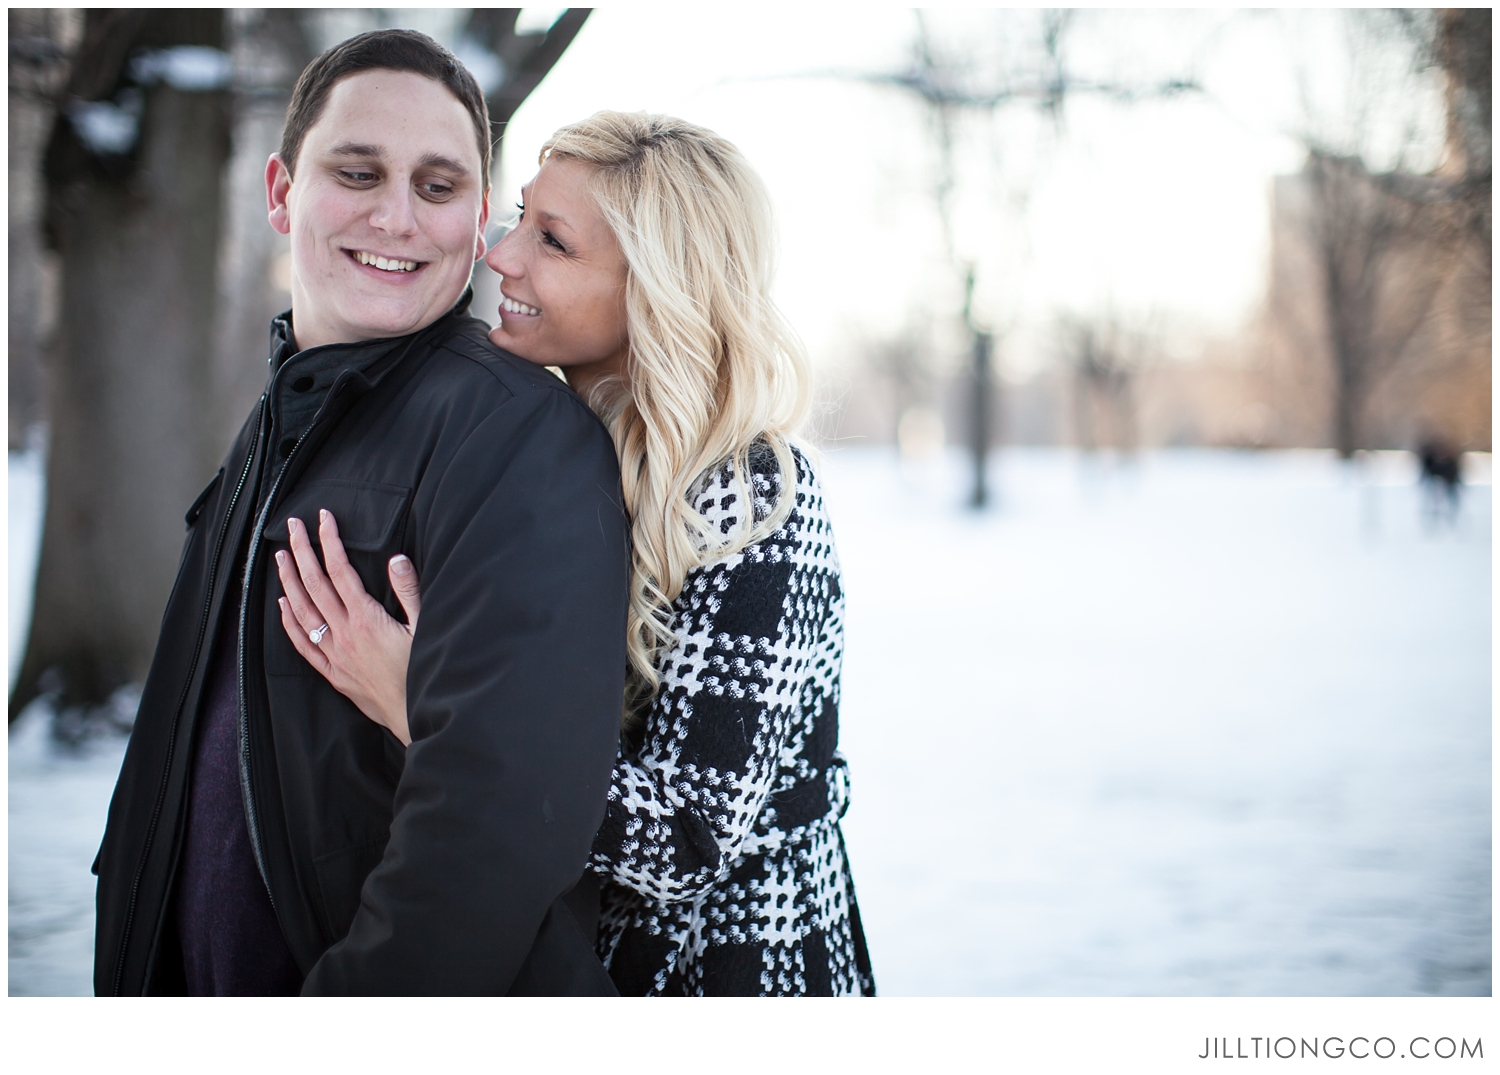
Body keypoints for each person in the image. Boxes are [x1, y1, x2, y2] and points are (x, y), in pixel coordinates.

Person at [276, 111, 877, 996]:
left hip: (724, 972)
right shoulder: (534, 446)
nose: (501, 255)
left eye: (552, 242)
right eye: (519, 216)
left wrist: (430, 710)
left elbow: (688, 839)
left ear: (656, 288)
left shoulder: (755, 502)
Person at [92, 30, 629, 996]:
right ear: (280, 192)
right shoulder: (275, 426)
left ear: (475, 221)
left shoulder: (514, 436)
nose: (396, 217)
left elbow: (495, 834)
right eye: (356, 171)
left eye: (436, 186)